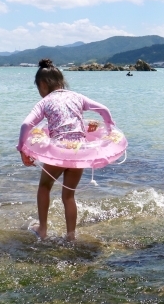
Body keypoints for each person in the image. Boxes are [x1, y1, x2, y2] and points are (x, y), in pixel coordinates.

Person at [17, 59, 116, 241]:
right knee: (69, 196)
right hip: (79, 153)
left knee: (45, 187)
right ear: (61, 81)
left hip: (59, 152)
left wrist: (22, 149)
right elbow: (104, 109)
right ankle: (71, 236)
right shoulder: (77, 97)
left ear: (43, 84)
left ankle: (43, 229)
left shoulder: (45, 102)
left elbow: (26, 124)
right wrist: (110, 128)